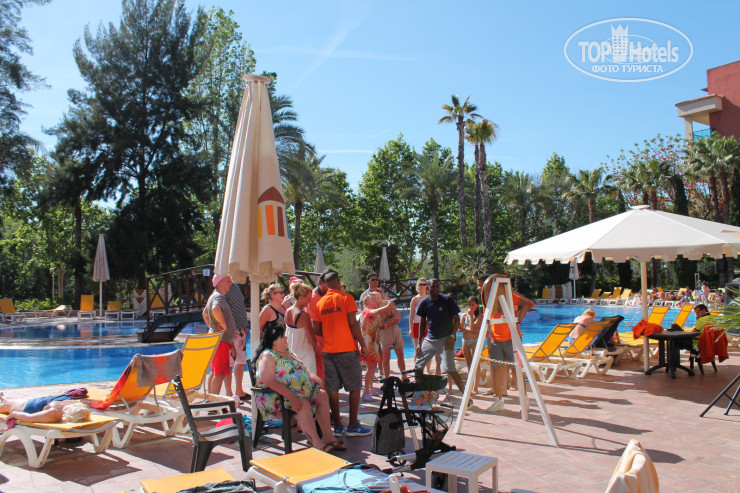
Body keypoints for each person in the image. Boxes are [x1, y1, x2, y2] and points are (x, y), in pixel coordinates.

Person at [254, 322, 344, 453]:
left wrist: (318, 380)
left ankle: (328, 437)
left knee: (322, 395)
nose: (286, 337)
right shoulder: (268, 355)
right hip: (276, 397)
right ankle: (317, 442)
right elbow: (268, 380)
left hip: (296, 393)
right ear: (275, 342)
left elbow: (304, 368)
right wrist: (292, 397)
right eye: (282, 336)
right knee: (303, 403)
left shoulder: (288, 352)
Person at [313, 269, 371, 437]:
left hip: (327, 351)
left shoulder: (320, 303)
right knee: (355, 387)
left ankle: (337, 426)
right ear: (338, 282)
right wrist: (362, 344)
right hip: (346, 350)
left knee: (333, 388)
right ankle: (352, 425)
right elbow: (353, 324)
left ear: (325, 285)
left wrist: (330, 333)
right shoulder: (346, 298)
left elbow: (317, 329)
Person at [485, 275, 535, 412]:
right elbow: (488, 318)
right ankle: (498, 401)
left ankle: (524, 400)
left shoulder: (510, 295)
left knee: (516, 369)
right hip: (496, 340)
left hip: (512, 339)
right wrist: (488, 331)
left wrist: (518, 320)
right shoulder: (487, 298)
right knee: (496, 369)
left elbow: (529, 304)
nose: (480, 288)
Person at [414, 279, 468, 405]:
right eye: (433, 287)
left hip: (446, 339)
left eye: (437, 286)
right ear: (428, 288)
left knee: (450, 368)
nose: (435, 289)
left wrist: (452, 336)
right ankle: (422, 395)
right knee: (418, 367)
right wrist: (419, 343)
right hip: (430, 339)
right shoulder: (424, 303)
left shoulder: (447, 300)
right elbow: (422, 323)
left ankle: (466, 396)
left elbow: (457, 320)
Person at [202, 274, 236, 396]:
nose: (231, 284)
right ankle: (214, 402)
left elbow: (205, 314)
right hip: (220, 341)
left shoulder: (214, 295)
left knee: (217, 372)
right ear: (220, 282)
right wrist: (223, 326)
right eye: (228, 281)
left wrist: (212, 327)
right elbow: (215, 309)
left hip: (220, 340)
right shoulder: (218, 297)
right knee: (219, 373)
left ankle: (212, 400)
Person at [359, 291, 396, 401]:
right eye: (372, 298)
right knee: (370, 368)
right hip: (368, 344)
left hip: (374, 343)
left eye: (375, 298)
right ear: (366, 301)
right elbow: (374, 311)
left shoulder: (375, 314)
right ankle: (365, 392)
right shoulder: (366, 311)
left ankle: (370, 388)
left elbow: (378, 324)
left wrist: (383, 326)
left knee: (373, 367)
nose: (375, 299)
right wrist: (387, 306)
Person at [285, 281, 318, 374]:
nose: (309, 301)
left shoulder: (288, 311)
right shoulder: (304, 316)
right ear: (301, 298)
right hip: (305, 355)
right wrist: (315, 350)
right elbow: (312, 339)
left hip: (292, 353)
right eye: (308, 299)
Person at [224, 281, 249, 400]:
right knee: (229, 363)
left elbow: (239, 307)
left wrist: (243, 325)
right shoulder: (223, 289)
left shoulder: (235, 285)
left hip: (240, 329)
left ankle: (239, 391)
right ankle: (229, 394)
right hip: (231, 331)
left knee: (241, 360)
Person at [1, 393, 91, 424]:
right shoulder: (55, 413)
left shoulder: (71, 403)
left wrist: (13, 414)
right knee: (6, 404)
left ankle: (5, 400)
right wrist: (13, 414)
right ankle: (5, 400)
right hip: (26, 404)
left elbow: (28, 418)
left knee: (6, 405)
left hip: (26, 405)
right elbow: (29, 418)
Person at [307, 270, 330, 381]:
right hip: (319, 337)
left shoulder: (330, 294)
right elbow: (314, 322)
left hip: (329, 336)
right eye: (328, 283)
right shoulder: (313, 297)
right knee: (321, 367)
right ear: (321, 283)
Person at [459, 296, 483, 394]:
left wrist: (471, 317)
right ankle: (470, 384)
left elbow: (473, 328)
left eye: (473, 305)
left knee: (475, 364)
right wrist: (470, 330)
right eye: (469, 305)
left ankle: (475, 387)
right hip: (465, 340)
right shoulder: (464, 315)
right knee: (469, 364)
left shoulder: (480, 316)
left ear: (477, 305)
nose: (470, 307)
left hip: (475, 341)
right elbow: (460, 329)